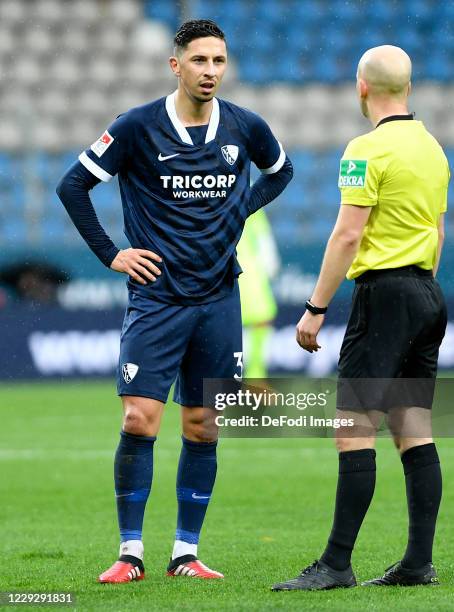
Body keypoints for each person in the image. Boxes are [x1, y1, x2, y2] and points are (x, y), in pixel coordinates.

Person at [57, 19, 292, 583]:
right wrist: (113, 254)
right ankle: (130, 552)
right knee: (140, 419)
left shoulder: (244, 126)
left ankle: (185, 553)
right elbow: (73, 186)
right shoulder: (136, 126)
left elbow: (281, 172)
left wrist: (243, 208)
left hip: (217, 299)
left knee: (203, 426)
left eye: (218, 61)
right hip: (157, 300)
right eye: (199, 61)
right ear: (175, 65)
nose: (210, 71)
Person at [272, 45, 448, 591]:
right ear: (409, 88)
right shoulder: (434, 149)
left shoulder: (365, 150)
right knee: (413, 427)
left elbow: (348, 234)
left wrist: (314, 308)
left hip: (386, 294)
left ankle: (336, 564)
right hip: (428, 290)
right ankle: (418, 562)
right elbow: (437, 230)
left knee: (353, 428)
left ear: (361, 87)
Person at [237, 208, 280, 378]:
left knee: (260, 319)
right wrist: (271, 263)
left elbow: (262, 233)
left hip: (240, 266)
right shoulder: (246, 190)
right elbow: (263, 236)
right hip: (246, 268)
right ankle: (253, 375)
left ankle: (252, 375)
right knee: (260, 319)